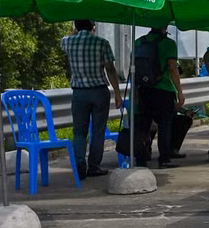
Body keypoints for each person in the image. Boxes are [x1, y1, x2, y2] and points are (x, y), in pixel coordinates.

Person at [60, 19, 122, 178]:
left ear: (75, 26)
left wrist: (76, 31)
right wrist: (117, 93)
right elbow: (110, 69)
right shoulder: (102, 43)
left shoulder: (67, 42)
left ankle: (80, 164)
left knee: (79, 132)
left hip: (79, 93)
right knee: (98, 130)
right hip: (99, 91)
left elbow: (69, 37)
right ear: (93, 27)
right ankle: (94, 166)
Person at [134, 24, 185, 169]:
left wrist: (136, 92)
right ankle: (164, 158)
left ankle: (141, 159)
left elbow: (135, 69)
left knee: (144, 126)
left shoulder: (139, 42)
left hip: (144, 89)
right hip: (163, 89)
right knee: (165, 125)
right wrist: (180, 91)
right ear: (165, 26)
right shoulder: (168, 43)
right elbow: (173, 68)